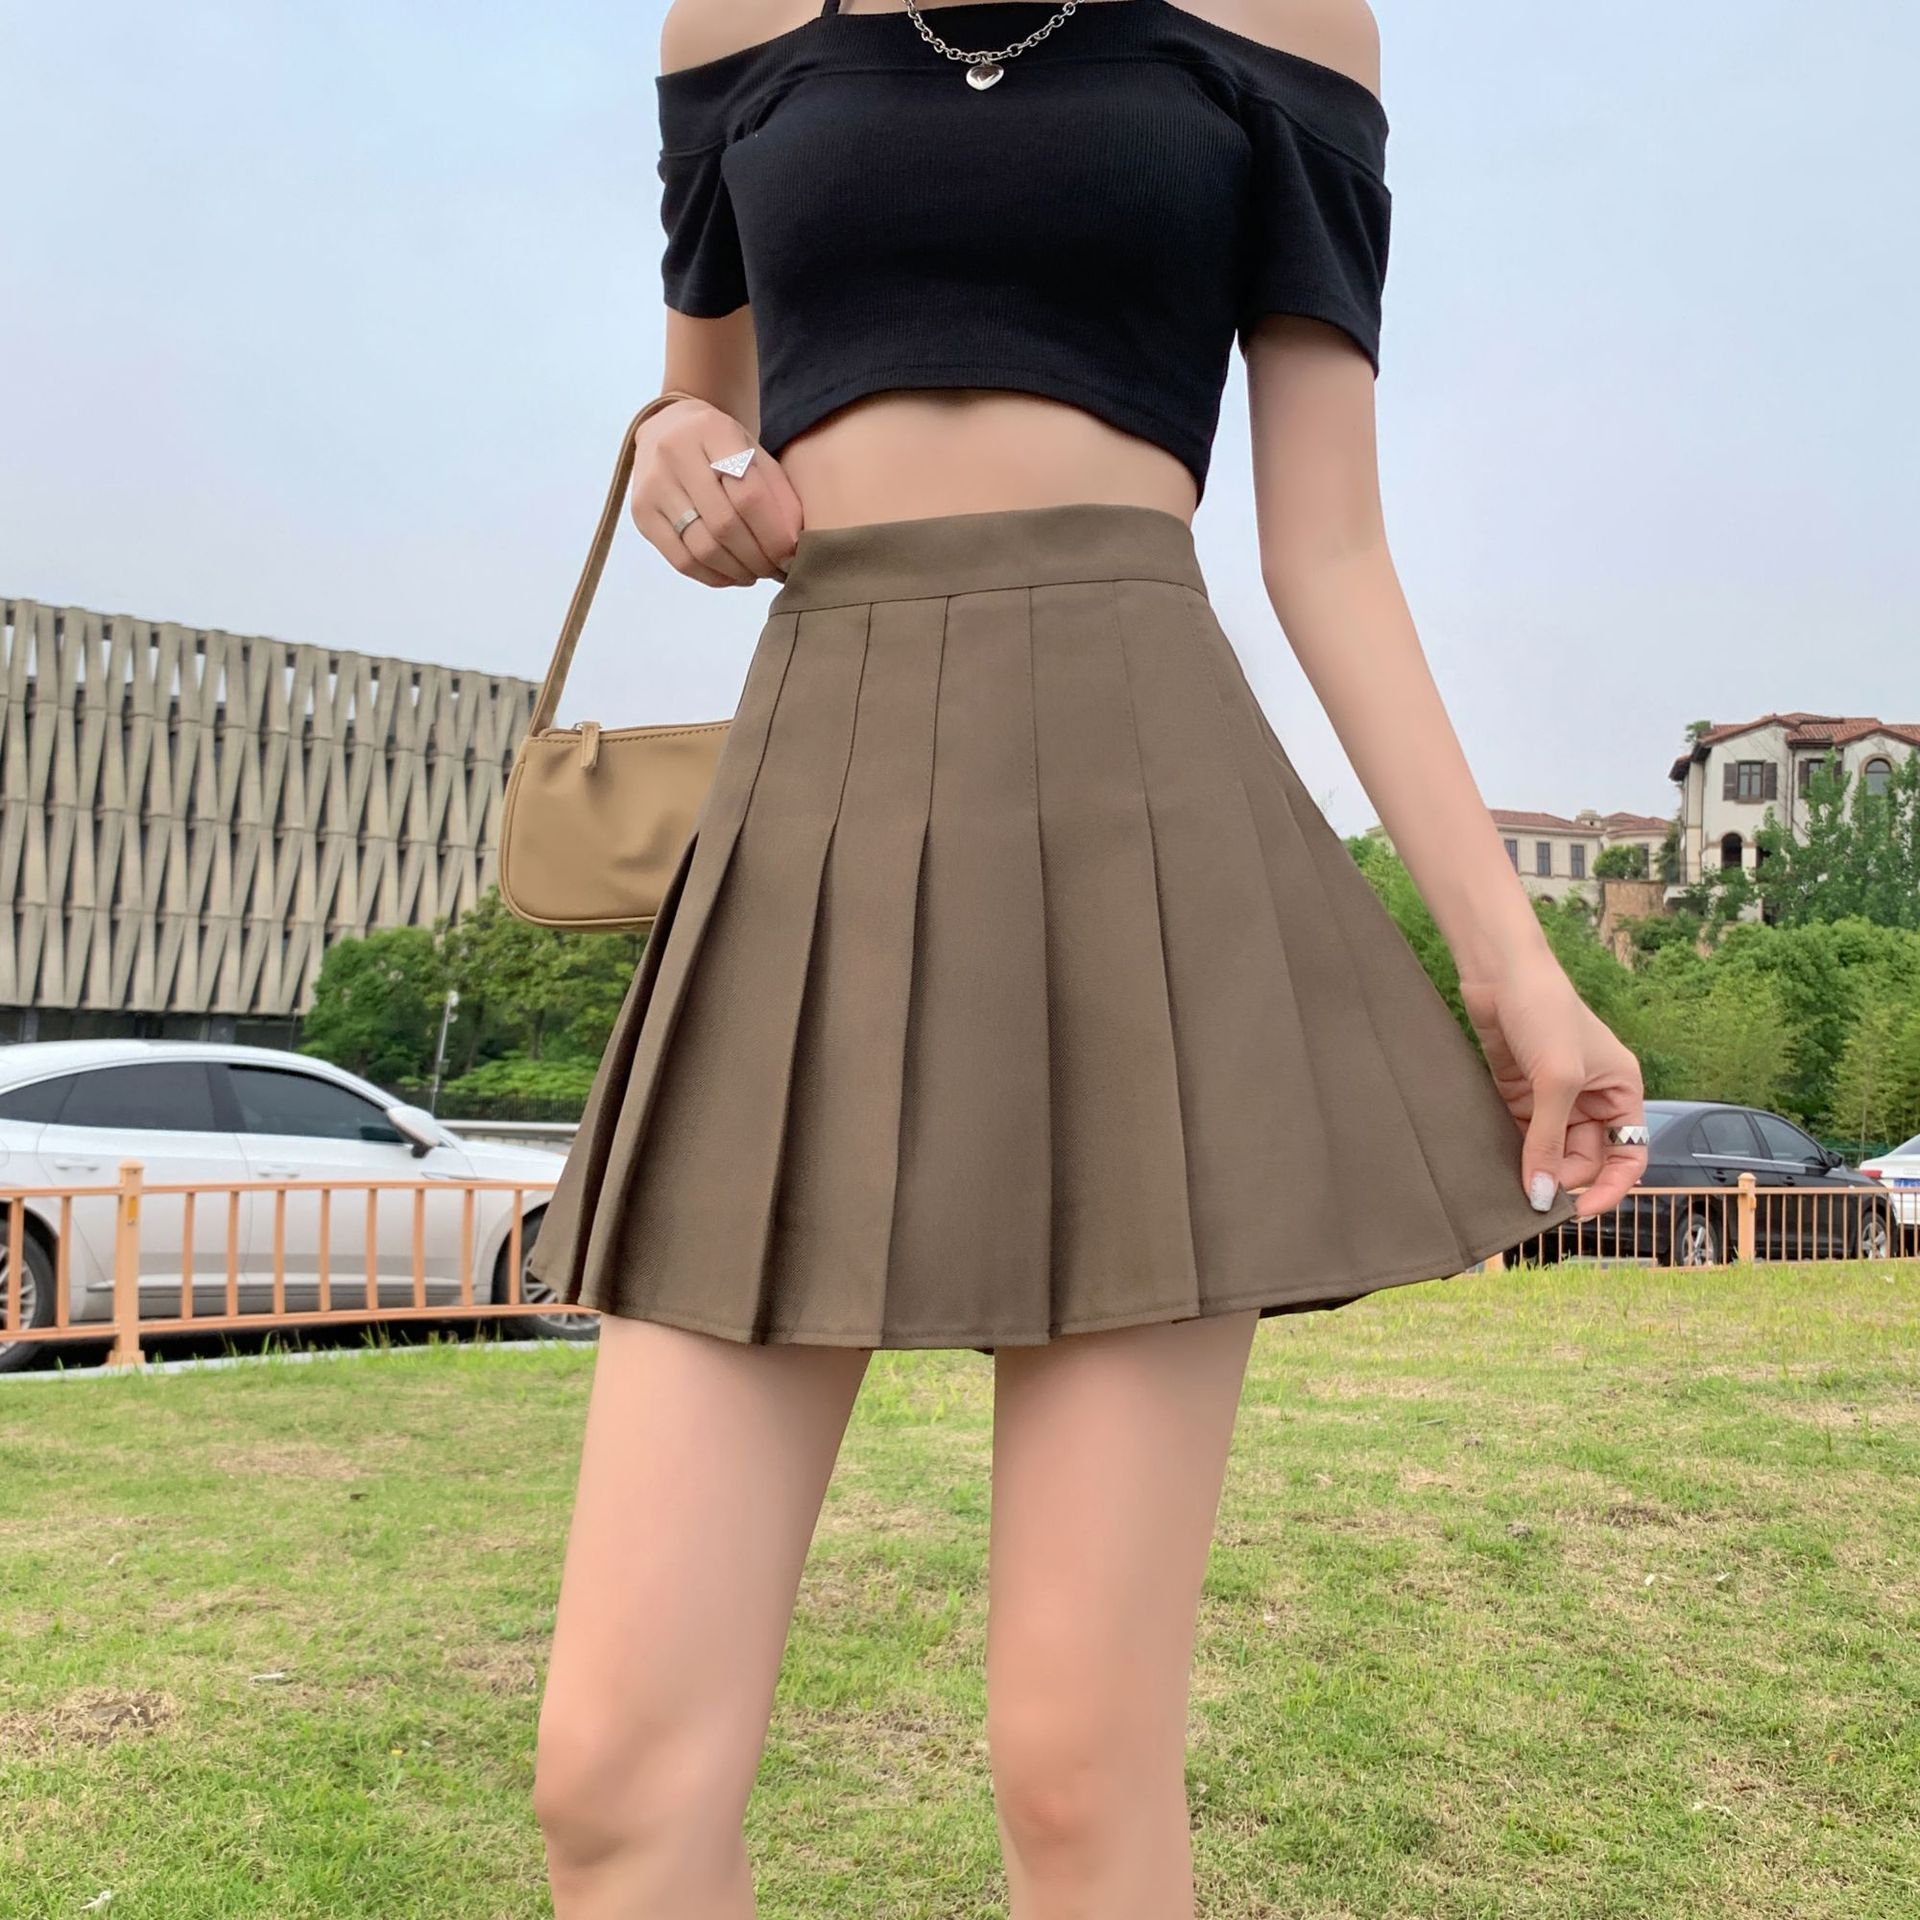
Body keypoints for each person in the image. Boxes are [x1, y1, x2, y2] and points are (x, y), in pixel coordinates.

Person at [526, 3, 1649, 1914]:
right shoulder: (737, 24)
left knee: (1076, 1763)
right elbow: (695, 396)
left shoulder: (1284, 24)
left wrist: (1513, 967)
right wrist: (674, 444)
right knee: (613, 1783)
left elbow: (1331, 550)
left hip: (1141, 813)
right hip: (817, 797)